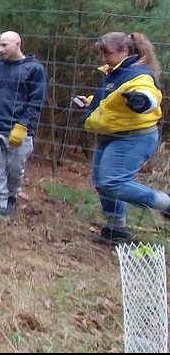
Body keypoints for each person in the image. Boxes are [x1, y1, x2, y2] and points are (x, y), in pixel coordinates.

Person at [72, 32, 168, 245]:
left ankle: (164, 203)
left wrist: (143, 101)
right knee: (102, 182)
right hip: (113, 134)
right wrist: (88, 102)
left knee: (112, 182)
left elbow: (150, 95)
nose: (103, 58)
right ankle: (116, 229)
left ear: (125, 51)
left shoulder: (139, 74)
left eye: (107, 53)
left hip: (134, 137)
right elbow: (110, 101)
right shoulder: (116, 73)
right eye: (101, 53)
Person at [0, 31, 47, 217]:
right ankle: (1, 203)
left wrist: (23, 125)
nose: (0, 49)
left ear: (18, 43)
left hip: (18, 129)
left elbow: (36, 101)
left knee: (15, 169)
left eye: (4, 45)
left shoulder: (34, 69)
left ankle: (12, 197)